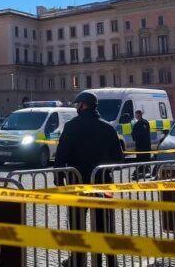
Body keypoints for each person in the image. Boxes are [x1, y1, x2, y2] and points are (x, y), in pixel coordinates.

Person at [54, 91, 123, 267]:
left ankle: (77, 259)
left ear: (83, 106)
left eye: (78, 104)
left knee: (77, 223)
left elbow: (61, 156)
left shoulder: (72, 126)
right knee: (103, 223)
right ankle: (105, 260)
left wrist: (59, 177)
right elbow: (118, 158)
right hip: (102, 183)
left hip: (77, 183)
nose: (77, 107)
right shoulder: (107, 127)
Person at [131, 110, 151, 180]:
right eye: (135, 115)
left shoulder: (143, 123)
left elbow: (142, 134)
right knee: (140, 158)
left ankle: (145, 170)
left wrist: (134, 135)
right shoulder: (138, 123)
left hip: (143, 144)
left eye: (136, 115)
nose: (136, 116)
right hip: (140, 145)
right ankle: (140, 170)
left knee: (144, 157)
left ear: (140, 115)